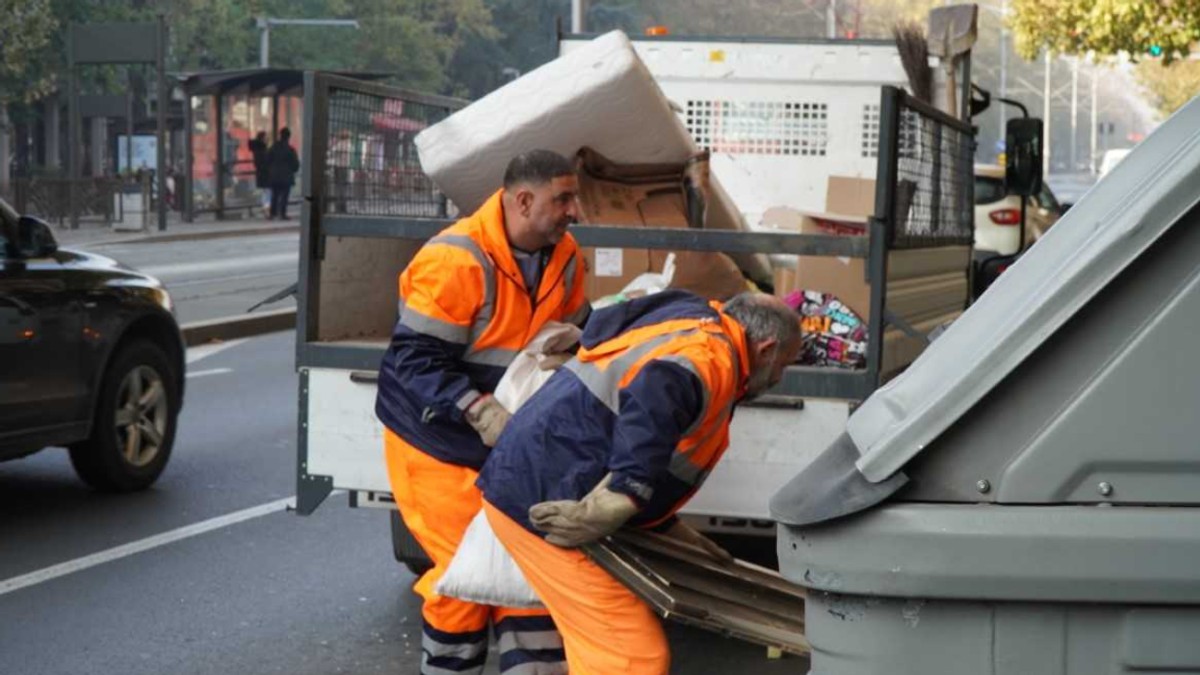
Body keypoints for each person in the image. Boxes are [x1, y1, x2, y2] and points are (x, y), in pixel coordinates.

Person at [477, 290, 803, 675]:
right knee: (631, 657)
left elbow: (646, 422)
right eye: (784, 364)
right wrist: (624, 495)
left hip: (542, 483)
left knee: (603, 648)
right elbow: (652, 406)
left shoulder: (696, 320)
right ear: (765, 350)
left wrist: (665, 527)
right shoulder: (708, 356)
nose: (779, 377)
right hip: (550, 504)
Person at [375, 149, 591, 675]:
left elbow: (577, 331)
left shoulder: (565, 257)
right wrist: (479, 410)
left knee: (524, 572)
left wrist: (579, 343)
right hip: (435, 446)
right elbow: (413, 360)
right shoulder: (457, 259)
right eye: (563, 198)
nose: (575, 210)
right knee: (464, 578)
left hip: (507, 444)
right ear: (523, 200)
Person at [267, 127, 300, 220]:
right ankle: (282, 214)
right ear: (288, 137)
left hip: (275, 175)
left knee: (275, 195)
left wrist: (271, 170)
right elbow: (295, 164)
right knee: (285, 196)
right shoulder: (290, 150)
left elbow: (267, 160)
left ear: (280, 136)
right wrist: (292, 170)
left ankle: (272, 214)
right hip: (286, 176)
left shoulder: (273, 148)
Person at [249, 132, 271, 218]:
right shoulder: (261, 149)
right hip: (265, 173)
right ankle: (267, 209)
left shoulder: (258, 148)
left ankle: (266, 208)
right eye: (266, 138)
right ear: (262, 138)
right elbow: (263, 162)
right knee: (268, 191)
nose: (267, 139)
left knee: (266, 191)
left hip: (262, 173)